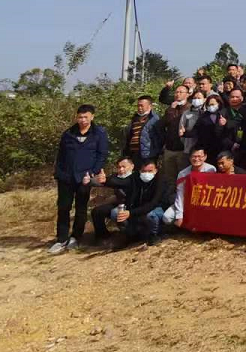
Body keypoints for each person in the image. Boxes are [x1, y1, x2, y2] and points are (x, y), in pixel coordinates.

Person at [49, 104, 108, 254]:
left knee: (81, 208)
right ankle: (61, 239)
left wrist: (93, 172)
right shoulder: (68, 133)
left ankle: (76, 237)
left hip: (85, 178)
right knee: (63, 208)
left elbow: (101, 155)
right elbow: (61, 155)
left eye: (85, 117)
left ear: (92, 117)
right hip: (66, 177)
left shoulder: (99, 134)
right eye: (80, 117)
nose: (82, 120)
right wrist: (59, 172)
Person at [94, 158, 167, 246]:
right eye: (144, 171)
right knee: (116, 213)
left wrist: (130, 213)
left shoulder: (161, 180)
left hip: (155, 209)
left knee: (151, 215)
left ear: (156, 170)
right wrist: (106, 181)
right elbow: (121, 182)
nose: (147, 174)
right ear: (140, 171)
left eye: (150, 171)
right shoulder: (135, 178)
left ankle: (154, 235)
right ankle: (129, 235)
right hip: (138, 209)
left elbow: (153, 204)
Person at [164, 146, 216, 228]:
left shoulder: (211, 170)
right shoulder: (183, 174)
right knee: (167, 217)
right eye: (194, 156)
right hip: (187, 202)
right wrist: (179, 216)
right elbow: (180, 196)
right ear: (189, 157)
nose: (196, 159)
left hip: (204, 203)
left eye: (199, 156)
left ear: (205, 157)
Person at [90, 156, 136, 243]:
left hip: (132, 206)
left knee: (117, 213)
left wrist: (106, 180)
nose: (121, 169)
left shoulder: (135, 177)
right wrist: (89, 181)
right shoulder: (115, 176)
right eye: (119, 167)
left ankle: (128, 236)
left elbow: (119, 182)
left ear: (132, 166)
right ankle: (103, 237)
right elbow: (102, 182)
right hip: (119, 204)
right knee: (97, 211)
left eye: (124, 167)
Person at [185, 94, 232, 164]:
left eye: (213, 104)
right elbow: (196, 130)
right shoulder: (203, 116)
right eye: (209, 105)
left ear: (219, 103)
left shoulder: (225, 113)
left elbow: (232, 129)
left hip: (222, 148)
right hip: (207, 148)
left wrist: (225, 124)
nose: (211, 106)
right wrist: (184, 133)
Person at [160, 85, 191, 182]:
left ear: (187, 94)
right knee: (170, 178)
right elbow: (164, 123)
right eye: (176, 92)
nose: (178, 94)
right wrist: (171, 109)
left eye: (181, 92)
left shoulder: (190, 108)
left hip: (183, 149)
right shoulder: (171, 107)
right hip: (169, 148)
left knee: (183, 178)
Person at [122, 96, 163, 166]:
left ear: (150, 106)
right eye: (138, 106)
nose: (139, 108)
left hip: (148, 154)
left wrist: (157, 152)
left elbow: (160, 137)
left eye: (142, 106)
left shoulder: (155, 119)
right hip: (133, 153)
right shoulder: (134, 119)